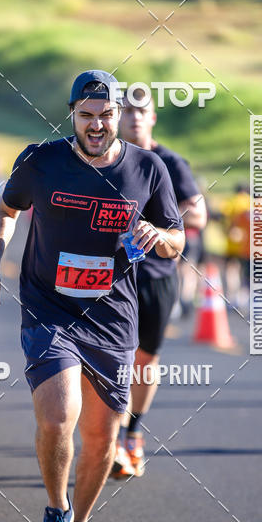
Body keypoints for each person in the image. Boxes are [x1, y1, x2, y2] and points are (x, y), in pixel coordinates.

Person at [0, 70, 184, 522]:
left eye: (106, 115)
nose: (97, 125)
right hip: (50, 308)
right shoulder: (41, 161)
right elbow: (4, 212)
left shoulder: (148, 169)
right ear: (72, 115)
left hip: (112, 318)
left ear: (117, 117)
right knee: (58, 416)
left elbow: (178, 242)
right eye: (86, 115)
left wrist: (158, 235)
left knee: (102, 439)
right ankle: (55, 511)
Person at [113, 94, 207, 478]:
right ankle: (113, 438)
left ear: (152, 117)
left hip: (156, 276)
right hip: (112, 275)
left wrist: (159, 222)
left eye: (141, 111)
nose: (135, 118)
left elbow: (198, 213)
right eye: (128, 111)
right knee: (114, 356)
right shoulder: (107, 158)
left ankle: (133, 432)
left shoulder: (169, 162)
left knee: (144, 360)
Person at [221, 184, 251, 309]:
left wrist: (226, 231)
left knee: (231, 271)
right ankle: (243, 298)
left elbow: (223, 217)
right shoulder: (249, 202)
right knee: (244, 273)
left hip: (231, 243)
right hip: (244, 244)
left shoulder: (231, 201)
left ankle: (231, 298)